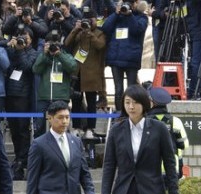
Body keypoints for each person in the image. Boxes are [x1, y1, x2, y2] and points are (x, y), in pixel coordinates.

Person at [65, 7, 106, 139]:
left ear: (95, 20)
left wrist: (90, 33)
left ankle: (90, 128)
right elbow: (67, 43)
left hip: (92, 74)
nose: (88, 22)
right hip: (77, 72)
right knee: (76, 101)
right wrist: (76, 29)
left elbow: (100, 45)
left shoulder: (99, 33)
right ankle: (76, 126)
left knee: (91, 103)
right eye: (86, 20)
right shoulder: (79, 32)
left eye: (90, 20)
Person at [101, 0, 148, 112]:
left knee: (131, 89)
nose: (128, 6)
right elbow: (105, 29)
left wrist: (130, 15)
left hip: (131, 59)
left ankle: (131, 112)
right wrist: (116, 14)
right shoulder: (117, 16)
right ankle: (119, 114)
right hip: (116, 58)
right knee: (118, 90)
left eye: (131, 3)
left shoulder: (142, 17)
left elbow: (137, 30)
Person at [5, 28, 38, 180]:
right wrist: (9, 44)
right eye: (20, 37)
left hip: (23, 95)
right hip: (9, 93)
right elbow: (6, 63)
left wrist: (20, 50)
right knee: (14, 129)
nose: (22, 40)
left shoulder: (33, 52)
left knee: (23, 129)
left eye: (26, 38)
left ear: (31, 39)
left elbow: (27, 66)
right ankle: (18, 157)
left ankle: (23, 159)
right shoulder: (13, 49)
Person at [32, 31, 77, 137]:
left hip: (61, 97)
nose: (53, 46)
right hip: (44, 97)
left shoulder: (66, 56)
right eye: (50, 44)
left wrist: (59, 55)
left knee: (61, 127)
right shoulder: (44, 57)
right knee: (40, 127)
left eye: (55, 44)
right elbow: (35, 69)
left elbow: (72, 67)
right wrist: (44, 54)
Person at [146, 86, 189, 179]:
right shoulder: (175, 121)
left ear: (152, 103)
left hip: (150, 170)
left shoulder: (144, 122)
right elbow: (184, 145)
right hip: (172, 168)